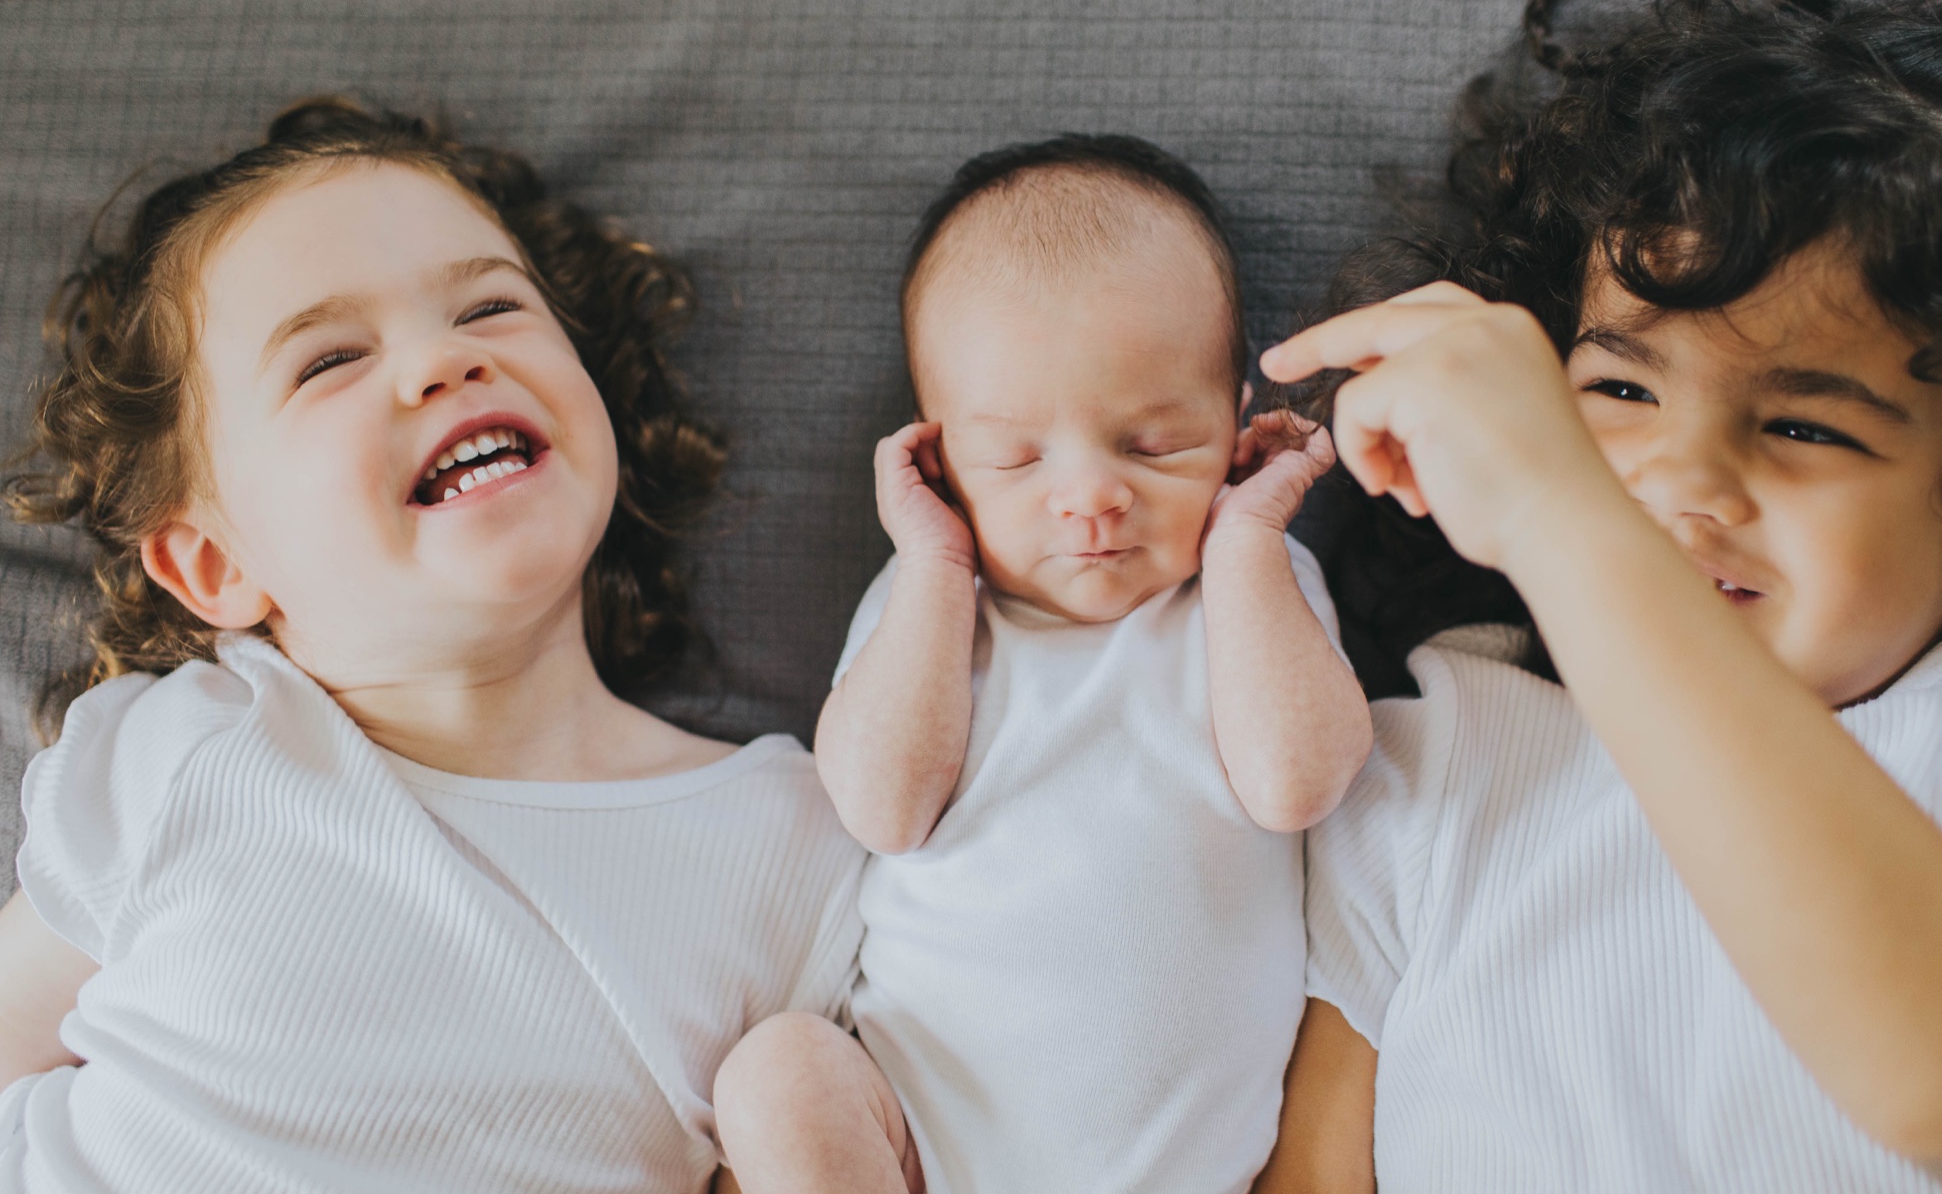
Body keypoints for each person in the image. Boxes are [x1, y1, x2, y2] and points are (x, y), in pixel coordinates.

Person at [1253, 0, 1942, 1190]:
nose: (1682, 485)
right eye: (1617, 393)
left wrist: (1565, 512)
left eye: (1805, 426)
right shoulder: (1436, 750)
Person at [0, 97, 863, 1194]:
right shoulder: (185, 757)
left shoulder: (791, 840)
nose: (443, 361)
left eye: (490, 307)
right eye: (327, 361)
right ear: (217, 565)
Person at [712, 134, 1373, 1193]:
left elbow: (1296, 781)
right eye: (1014, 459)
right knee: (775, 1074)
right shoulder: (933, 609)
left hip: (1183, 1168)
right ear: (934, 459)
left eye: (1154, 444)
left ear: (1237, 426)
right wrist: (930, 562)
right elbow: (881, 809)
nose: (1088, 496)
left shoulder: (1249, 590)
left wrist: (1246, 539)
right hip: (924, 1131)